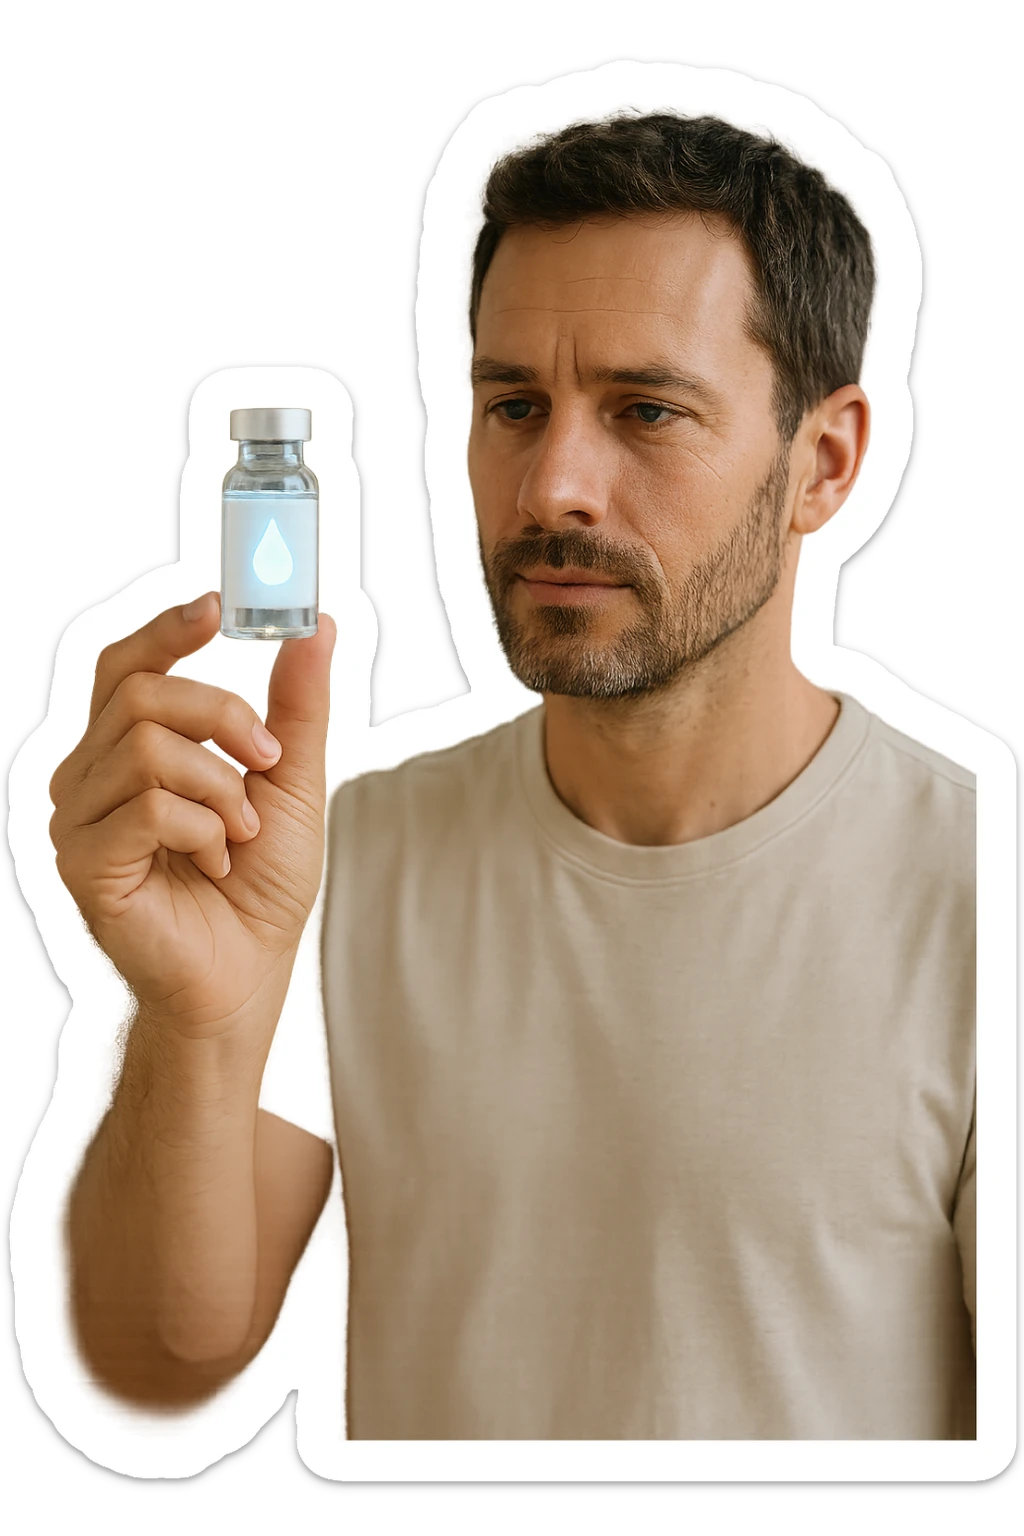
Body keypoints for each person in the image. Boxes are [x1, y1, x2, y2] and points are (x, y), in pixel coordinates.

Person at [49, 112, 976, 1440]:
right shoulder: (336, 856)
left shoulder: (972, 885)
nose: (554, 486)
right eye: (513, 407)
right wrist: (191, 1014)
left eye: (645, 409)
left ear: (821, 465)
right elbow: (159, 1357)